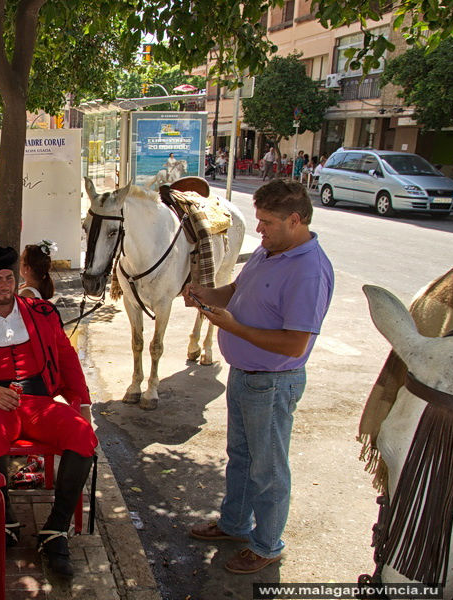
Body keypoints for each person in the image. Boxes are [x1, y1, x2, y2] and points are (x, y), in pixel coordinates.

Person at [185, 179, 334, 574]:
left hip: (271, 384)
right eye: (259, 220)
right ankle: (235, 524)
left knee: (268, 470)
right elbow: (236, 290)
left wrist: (233, 329)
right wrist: (205, 292)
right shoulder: (271, 250)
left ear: (296, 220)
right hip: (244, 377)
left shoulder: (308, 270)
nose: (259, 230)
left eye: (267, 222)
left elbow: (294, 344)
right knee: (242, 458)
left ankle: (268, 545)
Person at [0, 245, 97, 578]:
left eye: (9, 278)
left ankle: (55, 529)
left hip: (40, 402)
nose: (4, 286)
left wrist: (81, 403)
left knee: (83, 435)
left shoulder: (42, 312)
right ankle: (6, 522)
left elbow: (67, 358)